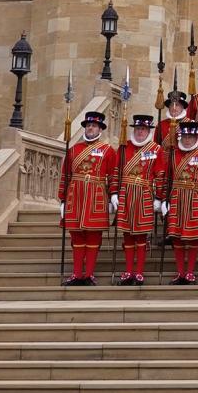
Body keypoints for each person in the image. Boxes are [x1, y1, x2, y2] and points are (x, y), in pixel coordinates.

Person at [57, 108, 117, 286]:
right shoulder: (73, 150)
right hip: (75, 195)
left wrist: (113, 195)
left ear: (100, 129)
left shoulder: (108, 150)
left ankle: (88, 274)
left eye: (94, 126)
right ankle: (76, 274)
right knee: (76, 237)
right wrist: (62, 199)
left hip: (96, 196)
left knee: (93, 237)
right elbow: (65, 175)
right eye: (88, 125)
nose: (91, 128)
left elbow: (113, 175)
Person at [114, 111, 169, 286]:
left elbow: (160, 174)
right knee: (128, 235)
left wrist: (159, 198)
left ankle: (139, 272)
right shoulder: (124, 146)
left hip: (145, 194)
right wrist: (114, 193)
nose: (140, 132)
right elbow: (116, 172)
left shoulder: (156, 149)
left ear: (149, 131)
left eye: (144, 129)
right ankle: (128, 270)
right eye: (138, 128)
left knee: (141, 235)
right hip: (126, 194)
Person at [165, 117, 198, 285]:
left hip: (195, 197)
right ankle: (180, 272)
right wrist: (165, 200)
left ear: (196, 138)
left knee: (193, 237)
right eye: (185, 137)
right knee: (176, 237)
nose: (187, 140)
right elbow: (167, 179)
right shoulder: (173, 154)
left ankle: (190, 272)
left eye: (190, 137)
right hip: (177, 196)